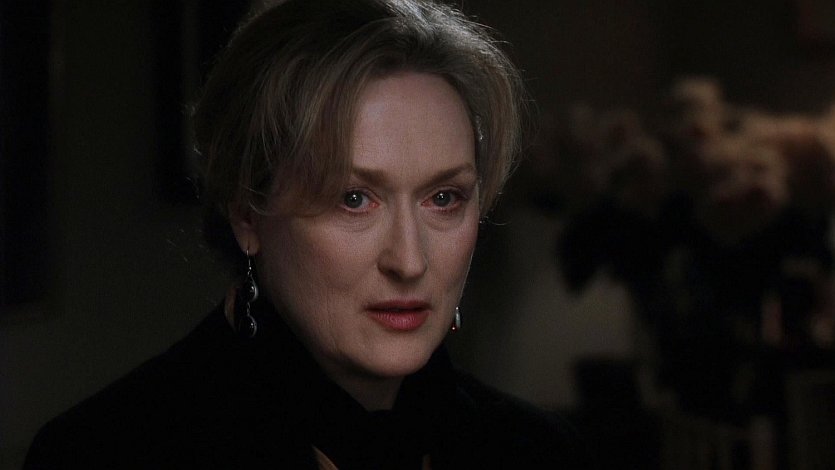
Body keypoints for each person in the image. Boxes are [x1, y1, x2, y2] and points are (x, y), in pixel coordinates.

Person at [25, 0, 590, 467]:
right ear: (248, 215)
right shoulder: (104, 452)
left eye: (444, 198)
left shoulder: (538, 452)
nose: (410, 260)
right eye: (354, 198)